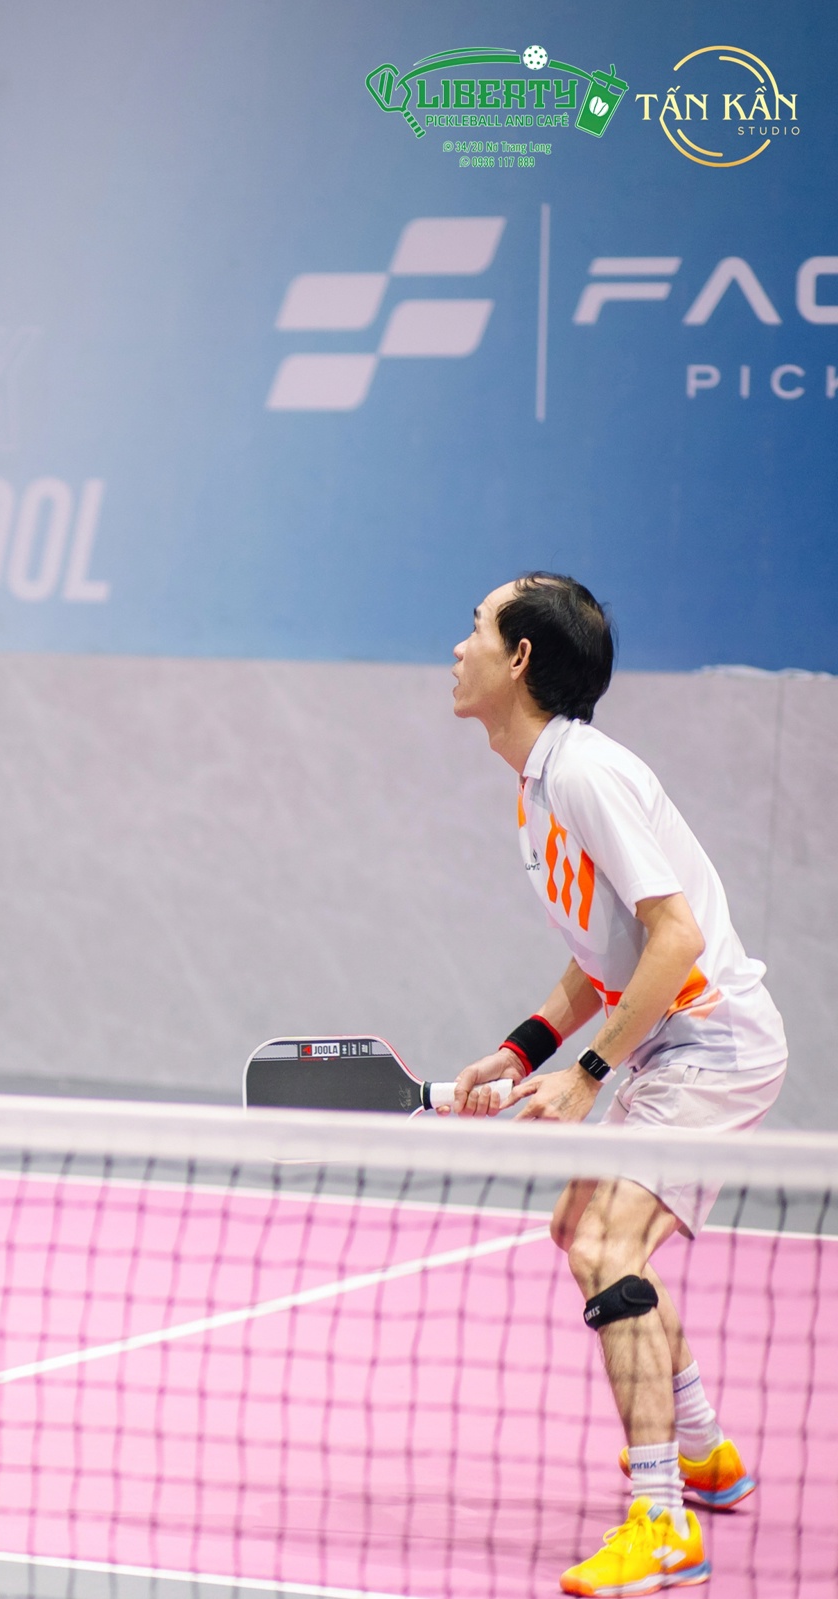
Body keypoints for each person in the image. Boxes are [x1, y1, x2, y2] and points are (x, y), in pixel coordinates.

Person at [446, 573, 784, 1596]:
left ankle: (662, 1520)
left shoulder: (588, 774)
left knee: (606, 1246)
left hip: (711, 1045)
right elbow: (607, 952)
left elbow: (675, 938)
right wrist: (525, 1048)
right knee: (578, 1230)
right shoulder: (540, 784)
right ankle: (705, 1450)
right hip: (666, 1044)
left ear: (520, 659)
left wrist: (588, 1074)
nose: (458, 647)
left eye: (476, 628)